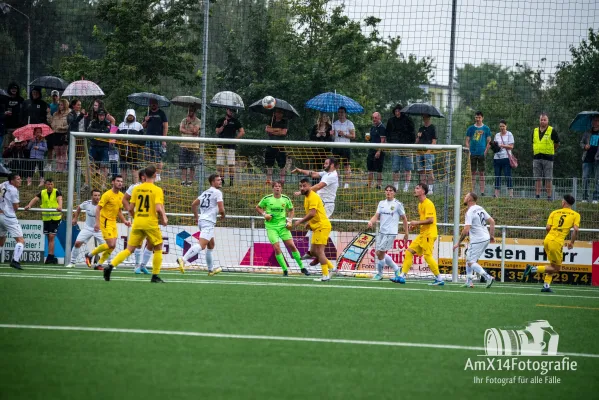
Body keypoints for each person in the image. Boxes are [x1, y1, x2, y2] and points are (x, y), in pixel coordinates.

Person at [104, 165, 170, 282]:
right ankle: (155, 276)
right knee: (158, 247)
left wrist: (136, 217)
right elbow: (159, 208)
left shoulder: (136, 189)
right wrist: (164, 218)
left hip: (138, 222)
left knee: (129, 249)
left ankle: (110, 266)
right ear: (155, 175)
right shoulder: (157, 190)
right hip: (150, 223)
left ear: (144, 175)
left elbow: (130, 208)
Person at [523, 194, 580, 293]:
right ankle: (532, 269)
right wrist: (571, 242)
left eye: (562, 201)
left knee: (552, 266)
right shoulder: (575, 215)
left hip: (547, 240)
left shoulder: (554, 212)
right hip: (557, 242)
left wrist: (551, 236)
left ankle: (546, 286)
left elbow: (547, 228)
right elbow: (575, 230)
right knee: (556, 268)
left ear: (564, 203)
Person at [390, 183, 444, 285]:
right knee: (409, 252)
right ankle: (402, 276)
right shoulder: (420, 204)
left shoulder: (428, 203)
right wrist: (415, 225)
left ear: (423, 191)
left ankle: (439, 278)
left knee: (428, 256)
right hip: (423, 234)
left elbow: (431, 220)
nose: (414, 190)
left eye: (417, 188)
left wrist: (416, 223)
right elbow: (424, 220)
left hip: (429, 234)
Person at [291, 157, 339, 267]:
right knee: (313, 226)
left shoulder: (332, 176)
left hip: (326, 204)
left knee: (320, 226)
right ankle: (314, 253)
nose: (324, 164)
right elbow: (313, 174)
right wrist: (300, 170)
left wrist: (302, 191)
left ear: (332, 165)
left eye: (326, 163)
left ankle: (317, 254)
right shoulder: (326, 174)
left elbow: (318, 186)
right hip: (321, 203)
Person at [255, 181, 311, 276]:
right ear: (273, 188)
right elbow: (258, 207)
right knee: (277, 248)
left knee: (292, 246)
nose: (277, 188)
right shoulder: (267, 199)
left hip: (283, 227)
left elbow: (291, 210)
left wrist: (289, 221)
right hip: (271, 227)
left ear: (281, 188)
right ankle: (285, 270)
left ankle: (302, 267)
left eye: (279, 186)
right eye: (275, 186)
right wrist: (265, 214)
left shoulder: (285, 199)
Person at [178, 174, 225, 276]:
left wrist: (196, 217)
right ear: (212, 182)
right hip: (208, 222)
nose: (220, 181)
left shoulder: (205, 192)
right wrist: (223, 215)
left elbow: (193, 204)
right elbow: (221, 209)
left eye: (220, 180)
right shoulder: (217, 192)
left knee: (211, 245)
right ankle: (183, 259)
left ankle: (210, 270)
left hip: (203, 221)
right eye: (218, 180)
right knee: (202, 245)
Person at [84, 175, 131, 269]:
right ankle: (89, 255)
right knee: (111, 244)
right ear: (113, 182)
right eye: (118, 181)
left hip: (113, 222)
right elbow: (98, 209)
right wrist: (97, 223)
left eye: (121, 181)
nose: (120, 183)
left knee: (112, 246)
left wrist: (124, 221)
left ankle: (98, 264)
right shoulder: (107, 195)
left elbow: (119, 211)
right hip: (105, 221)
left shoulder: (121, 196)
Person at [452, 192, 496, 288]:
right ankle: (469, 281)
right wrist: (492, 236)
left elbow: (466, 230)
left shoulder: (470, 212)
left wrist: (458, 243)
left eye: (466, 196)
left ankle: (487, 277)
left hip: (478, 239)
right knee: (469, 258)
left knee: (471, 262)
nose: (464, 197)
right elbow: (492, 221)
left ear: (469, 199)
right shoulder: (480, 208)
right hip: (485, 238)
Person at [294, 178, 334, 282]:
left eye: (304, 186)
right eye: (300, 186)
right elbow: (314, 214)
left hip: (322, 226)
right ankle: (332, 268)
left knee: (319, 252)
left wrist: (300, 221)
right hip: (317, 227)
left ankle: (326, 275)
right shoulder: (307, 197)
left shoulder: (313, 197)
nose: (302, 188)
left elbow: (312, 213)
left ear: (309, 186)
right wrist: (309, 223)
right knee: (313, 251)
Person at [367, 185, 409, 280]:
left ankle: (380, 274)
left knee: (379, 253)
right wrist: (371, 222)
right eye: (387, 190)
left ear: (394, 192)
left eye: (391, 190)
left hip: (390, 233)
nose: (388, 192)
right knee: (380, 253)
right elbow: (376, 216)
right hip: (382, 232)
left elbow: (404, 219)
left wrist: (406, 233)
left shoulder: (398, 204)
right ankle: (396, 269)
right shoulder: (381, 203)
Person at [123, 169, 155, 274]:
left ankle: (143, 265)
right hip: (139, 218)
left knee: (152, 242)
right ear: (143, 177)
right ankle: (137, 265)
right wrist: (131, 212)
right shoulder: (134, 187)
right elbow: (124, 199)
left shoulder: (152, 187)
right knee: (138, 243)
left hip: (150, 218)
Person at [24, 178, 63, 264]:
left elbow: (60, 199)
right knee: (48, 237)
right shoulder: (42, 192)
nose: (50, 186)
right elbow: (35, 199)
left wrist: (60, 206)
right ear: (45, 185)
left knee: (51, 236)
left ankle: (50, 257)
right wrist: (29, 205)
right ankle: (52, 256)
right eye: (48, 184)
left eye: (51, 184)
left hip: (55, 218)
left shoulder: (57, 191)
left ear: (53, 184)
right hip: (46, 218)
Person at [66, 190, 105, 270]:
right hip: (87, 228)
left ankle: (110, 263)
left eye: (98, 195)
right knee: (77, 243)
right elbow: (79, 208)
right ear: (92, 196)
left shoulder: (103, 204)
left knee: (108, 246)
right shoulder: (87, 203)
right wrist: (75, 218)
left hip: (99, 229)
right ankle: (72, 263)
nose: (97, 197)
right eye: (95, 195)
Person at [386, 104, 415, 192]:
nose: (397, 112)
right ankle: (396, 186)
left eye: (399, 111)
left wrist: (410, 142)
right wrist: (391, 142)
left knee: (408, 167)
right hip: (395, 146)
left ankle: (406, 187)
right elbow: (388, 133)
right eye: (395, 111)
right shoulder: (391, 121)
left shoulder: (408, 120)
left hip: (407, 146)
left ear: (402, 111)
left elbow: (412, 132)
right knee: (395, 167)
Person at [0, 173, 26, 270]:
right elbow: (16, 207)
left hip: (0, 215)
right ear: (12, 181)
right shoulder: (14, 190)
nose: (20, 181)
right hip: (8, 217)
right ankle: (15, 261)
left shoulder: (3, 184)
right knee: (21, 241)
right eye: (18, 179)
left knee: (1, 240)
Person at [532, 113, 560, 200]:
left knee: (548, 177)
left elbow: (557, 143)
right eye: (541, 119)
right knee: (537, 177)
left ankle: (549, 196)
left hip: (548, 157)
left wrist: (552, 150)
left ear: (547, 121)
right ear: (539, 120)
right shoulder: (535, 130)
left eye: (544, 120)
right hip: (537, 157)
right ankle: (537, 195)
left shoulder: (552, 130)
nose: (543, 121)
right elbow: (533, 142)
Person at [215, 108, 245, 187]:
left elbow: (242, 132)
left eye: (233, 110)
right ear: (227, 110)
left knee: (231, 165)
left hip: (231, 146)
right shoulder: (221, 120)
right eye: (230, 110)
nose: (231, 112)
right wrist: (223, 125)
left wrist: (235, 139)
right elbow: (217, 131)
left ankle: (231, 183)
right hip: (220, 145)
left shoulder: (235, 121)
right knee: (220, 165)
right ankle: (222, 181)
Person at [465, 111, 492, 196]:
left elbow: (489, 141)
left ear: (482, 118)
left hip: (481, 153)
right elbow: (467, 141)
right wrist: (469, 151)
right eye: (476, 117)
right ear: (475, 118)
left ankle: (482, 192)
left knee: (481, 172)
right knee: (472, 172)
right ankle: (472, 191)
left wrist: (485, 151)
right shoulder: (471, 128)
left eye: (479, 117)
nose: (478, 119)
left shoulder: (486, 128)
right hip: (472, 153)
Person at [142, 98, 168, 181]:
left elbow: (165, 126)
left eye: (155, 103)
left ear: (157, 104)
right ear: (149, 104)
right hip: (148, 137)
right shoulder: (147, 113)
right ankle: (151, 174)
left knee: (158, 157)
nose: (153, 104)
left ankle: (158, 175)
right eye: (152, 103)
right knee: (148, 157)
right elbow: (143, 126)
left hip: (158, 138)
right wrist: (146, 121)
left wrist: (164, 139)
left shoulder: (161, 113)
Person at [116, 109, 144, 184]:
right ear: (126, 116)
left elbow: (143, 139)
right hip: (122, 151)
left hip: (134, 152)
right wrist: (118, 146)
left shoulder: (139, 125)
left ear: (134, 116)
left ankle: (135, 185)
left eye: (131, 116)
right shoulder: (121, 125)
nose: (130, 117)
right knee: (123, 168)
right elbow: (116, 137)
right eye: (129, 116)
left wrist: (138, 147)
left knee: (134, 169)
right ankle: (122, 186)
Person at [332, 107, 355, 189]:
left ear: (345, 113)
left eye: (342, 112)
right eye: (339, 112)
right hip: (336, 146)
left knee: (346, 165)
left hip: (346, 146)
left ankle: (346, 184)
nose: (340, 114)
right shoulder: (334, 123)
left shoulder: (350, 123)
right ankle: (337, 183)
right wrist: (331, 133)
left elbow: (353, 136)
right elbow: (333, 135)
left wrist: (344, 134)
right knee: (336, 165)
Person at [265, 108, 288, 184]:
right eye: (277, 112)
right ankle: (269, 180)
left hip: (280, 145)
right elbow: (267, 130)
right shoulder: (271, 120)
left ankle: (282, 180)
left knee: (282, 164)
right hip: (270, 144)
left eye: (281, 112)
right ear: (274, 113)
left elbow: (284, 132)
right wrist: (278, 130)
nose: (279, 114)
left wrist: (273, 130)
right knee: (269, 163)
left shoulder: (285, 121)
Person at [415, 114, 437, 194]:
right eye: (423, 117)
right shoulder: (421, 128)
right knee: (421, 171)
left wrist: (429, 150)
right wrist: (418, 137)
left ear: (429, 118)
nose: (424, 119)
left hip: (428, 153)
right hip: (419, 152)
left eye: (426, 117)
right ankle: (423, 189)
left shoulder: (432, 128)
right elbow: (417, 141)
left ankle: (430, 189)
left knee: (429, 170)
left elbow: (434, 141)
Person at [579, 114, 599, 204]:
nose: (594, 122)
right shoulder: (587, 132)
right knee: (585, 178)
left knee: (597, 179)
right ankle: (584, 198)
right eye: (593, 120)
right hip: (587, 158)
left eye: (596, 120)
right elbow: (581, 143)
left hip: (597, 159)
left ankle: (596, 198)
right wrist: (584, 146)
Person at [492, 119, 515, 198]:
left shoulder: (510, 134)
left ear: (506, 126)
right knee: (497, 176)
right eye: (500, 126)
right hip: (497, 158)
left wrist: (502, 145)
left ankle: (511, 194)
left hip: (506, 158)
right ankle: (496, 194)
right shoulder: (497, 135)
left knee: (507, 175)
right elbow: (495, 145)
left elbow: (511, 146)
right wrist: (493, 146)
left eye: (503, 126)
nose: (502, 128)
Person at [179, 107, 201, 186]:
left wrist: (190, 123)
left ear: (194, 112)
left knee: (192, 165)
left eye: (191, 111)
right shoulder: (184, 120)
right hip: (184, 145)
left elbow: (195, 131)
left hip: (194, 146)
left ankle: (190, 181)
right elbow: (181, 129)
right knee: (183, 164)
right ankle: (183, 181)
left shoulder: (198, 121)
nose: (189, 112)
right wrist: (189, 132)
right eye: (188, 110)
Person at [87, 109, 111, 177]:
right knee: (91, 164)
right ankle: (90, 182)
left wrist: (96, 132)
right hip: (94, 146)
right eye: (100, 115)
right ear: (97, 115)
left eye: (103, 115)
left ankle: (104, 185)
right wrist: (100, 130)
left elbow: (107, 131)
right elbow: (89, 130)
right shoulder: (93, 122)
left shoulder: (107, 123)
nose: (101, 117)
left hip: (104, 147)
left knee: (104, 165)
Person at [367, 112, 387, 189]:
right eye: (373, 118)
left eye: (376, 118)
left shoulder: (382, 127)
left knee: (379, 169)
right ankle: (369, 185)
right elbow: (371, 139)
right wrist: (368, 139)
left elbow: (383, 140)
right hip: (371, 150)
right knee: (370, 168)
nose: (374, 119)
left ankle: (379, 185)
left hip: (379, 151)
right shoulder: (372, 127)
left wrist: (379, 151)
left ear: (379, 118)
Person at [49, 98, 70, 172]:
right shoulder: (55, 114)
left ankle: (64, 168)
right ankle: (58, 168)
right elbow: (52, 123)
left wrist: (62, 127)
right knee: (57, 152)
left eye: (62, 105)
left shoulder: (69, 113)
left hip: (64, 134)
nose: (60, 106)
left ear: (65, 105)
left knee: (63, 152)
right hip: (56, 134)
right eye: (59, 105)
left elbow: (69, 125)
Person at [2, 82, 24, 151]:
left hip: (17, 128)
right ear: (9, 89)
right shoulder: (5, 99)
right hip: (7, 128)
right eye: (12, 88)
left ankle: (15, 161)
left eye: (15, 88)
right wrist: (4, 113)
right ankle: (5, 162)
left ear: (17, 90)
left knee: (17, 146)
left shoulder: (21, 100)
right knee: (6, 147)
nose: (14, 90)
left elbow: (24, 112)